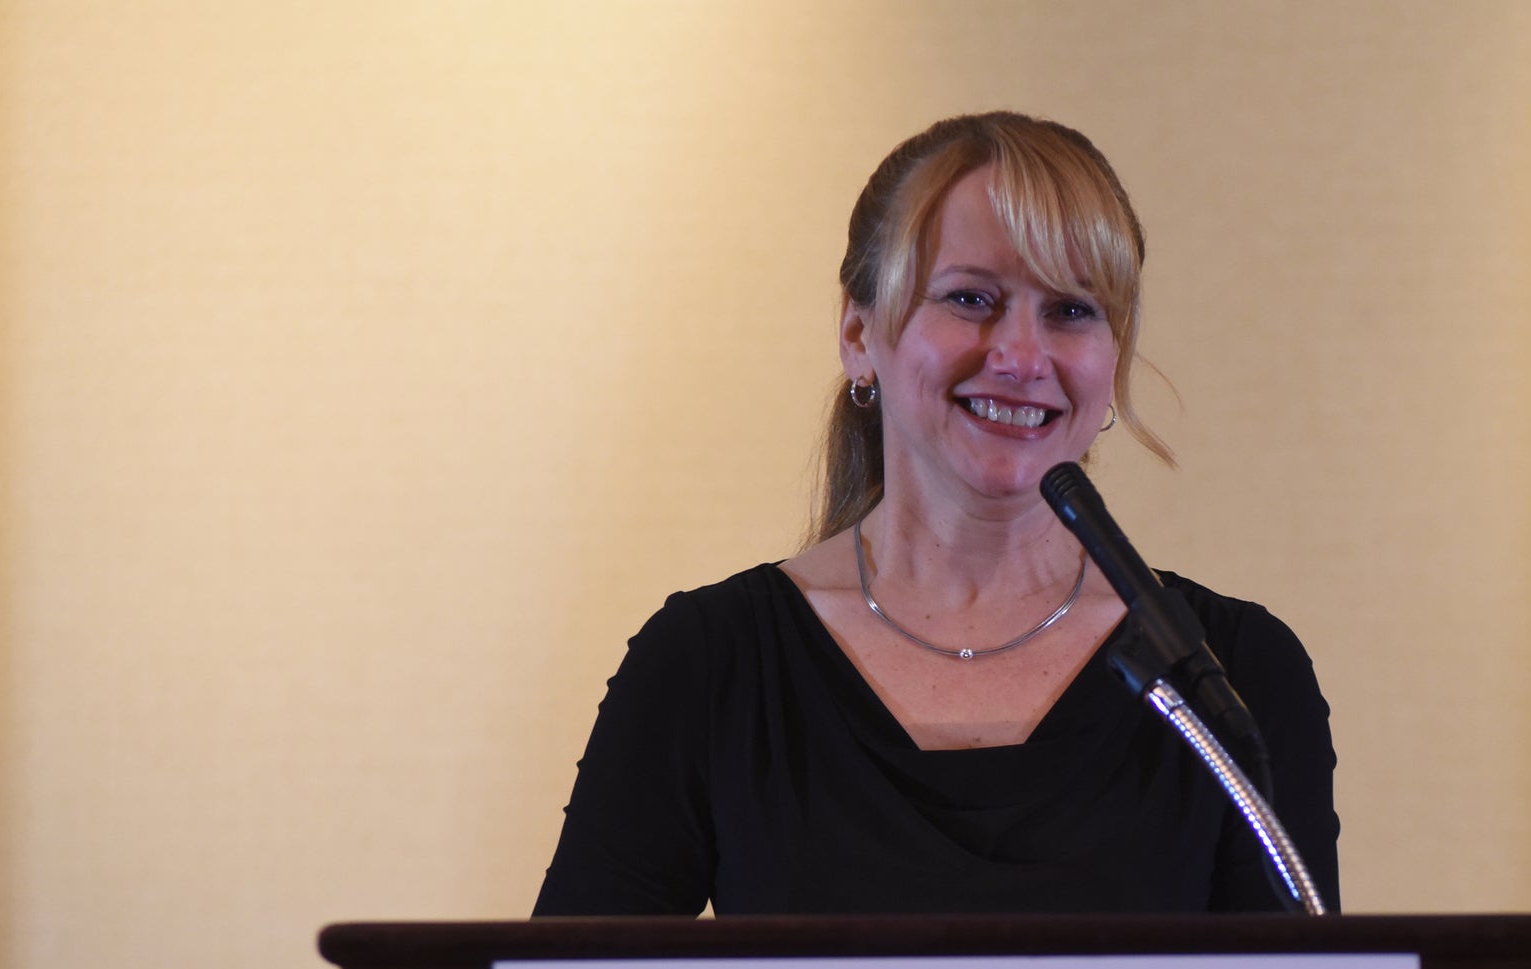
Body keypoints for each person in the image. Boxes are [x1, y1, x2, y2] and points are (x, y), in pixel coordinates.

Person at [532, 112, 1337, 915]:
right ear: (858, 331)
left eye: (1071, 311)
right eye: (972, 298)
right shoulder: (708, 667)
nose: (1023, 357)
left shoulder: (1232, 677)